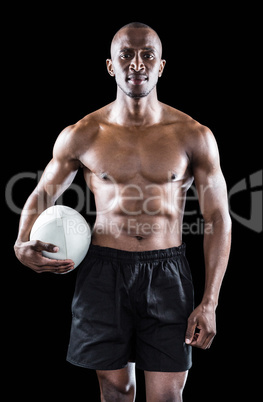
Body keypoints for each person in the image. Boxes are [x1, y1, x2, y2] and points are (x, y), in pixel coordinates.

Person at [14, 22, 232, 402]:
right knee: (115, 391)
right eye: (126, 55)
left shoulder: (193, 135)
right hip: (103, 272)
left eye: (147, 54)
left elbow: (217, 218)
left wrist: (210, 302)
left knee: (167, 396)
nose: (137, 63)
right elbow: (41, 194)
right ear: (111, 66)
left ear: (161, 65)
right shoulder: (83, 133)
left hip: (167, 274)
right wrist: (20, 242)